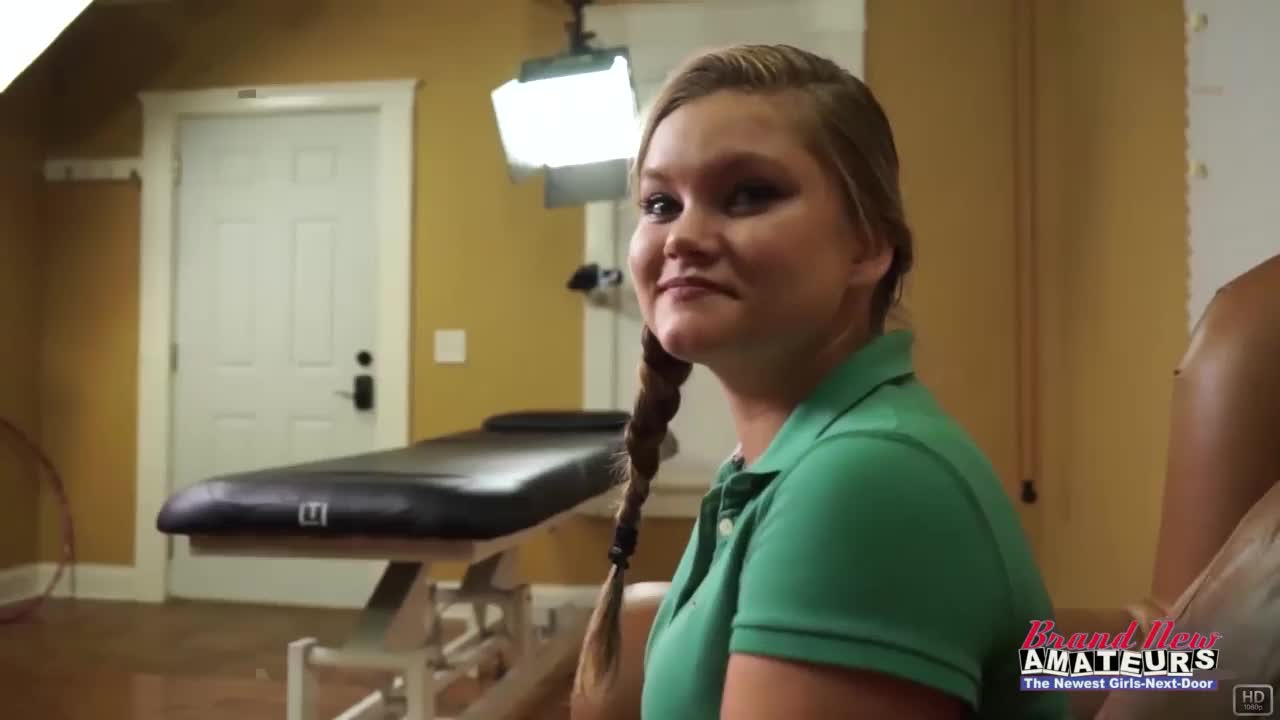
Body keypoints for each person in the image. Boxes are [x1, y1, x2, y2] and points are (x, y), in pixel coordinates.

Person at [569, 44, 1069, 720]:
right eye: (661, 203)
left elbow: (1180, 666)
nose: (682, 237)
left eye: (749, 194)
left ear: (867, 246)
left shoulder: (864, 479)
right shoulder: (780, 461)